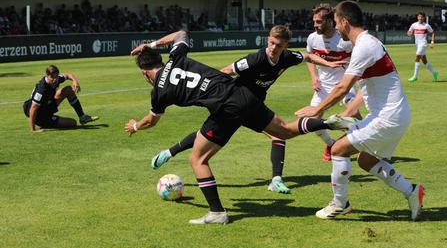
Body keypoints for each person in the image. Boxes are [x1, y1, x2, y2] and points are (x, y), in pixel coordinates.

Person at [125, 30, 355, 225]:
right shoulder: (175, 57)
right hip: (244, 96)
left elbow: (151, 121)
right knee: (284, 130)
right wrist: (151, 44)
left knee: (198, 159)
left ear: (145, 73)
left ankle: (217, 212)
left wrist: (135, 126)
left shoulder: (159, 92)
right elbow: (182, 33)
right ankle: (328, 122)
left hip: (225, 109)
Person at [295, 1, 424, 221]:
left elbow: (342, 88)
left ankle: (340, 204)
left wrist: (317, 110)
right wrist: (345, 116)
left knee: (337, 149)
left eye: (336, 23)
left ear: (344, 22)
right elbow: (362, 94)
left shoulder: (364, 46)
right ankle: (412, 192)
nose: (335, 28)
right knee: (366, 161)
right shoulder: (367, 43)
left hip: (387, 118)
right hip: (393, 116)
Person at [306, 4, 361, 162]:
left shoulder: (345, 39)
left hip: (344, 85)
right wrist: (314, 77)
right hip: (323, 87)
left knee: (355, 114)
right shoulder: (312, 38)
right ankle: (331, 144)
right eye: (314, 21)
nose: (315, 25)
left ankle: (366, 141)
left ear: (330, 21)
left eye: (318, 22)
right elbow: (309, 58)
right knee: (313, 121)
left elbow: (360, 57)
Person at [23, 65, 99, 132]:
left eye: (56, 76)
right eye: (52, 77)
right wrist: (33, 129)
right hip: (39, 115)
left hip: (46, 106)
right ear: (47, 75)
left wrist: (75, 82)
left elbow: (68, 75)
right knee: (73, 123)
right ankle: (45, 123)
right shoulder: (42, 89)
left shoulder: (57, 79)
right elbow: (33, 108)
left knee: (68, 89)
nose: (54, 79)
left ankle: (82, 117)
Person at [407, 12, 439, 82]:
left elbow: (433, 32)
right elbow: (409, 32)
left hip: (423, 43)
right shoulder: (414, 25)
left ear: (424, 18)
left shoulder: (426, 25)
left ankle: (415, 76)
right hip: (417, 44)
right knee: (424, 61)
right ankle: (434, 72)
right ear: (417, 17)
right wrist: (409, 33)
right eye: (419, 17)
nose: (420, 18)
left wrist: (432, 42)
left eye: (421, 17)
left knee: (417, 57)